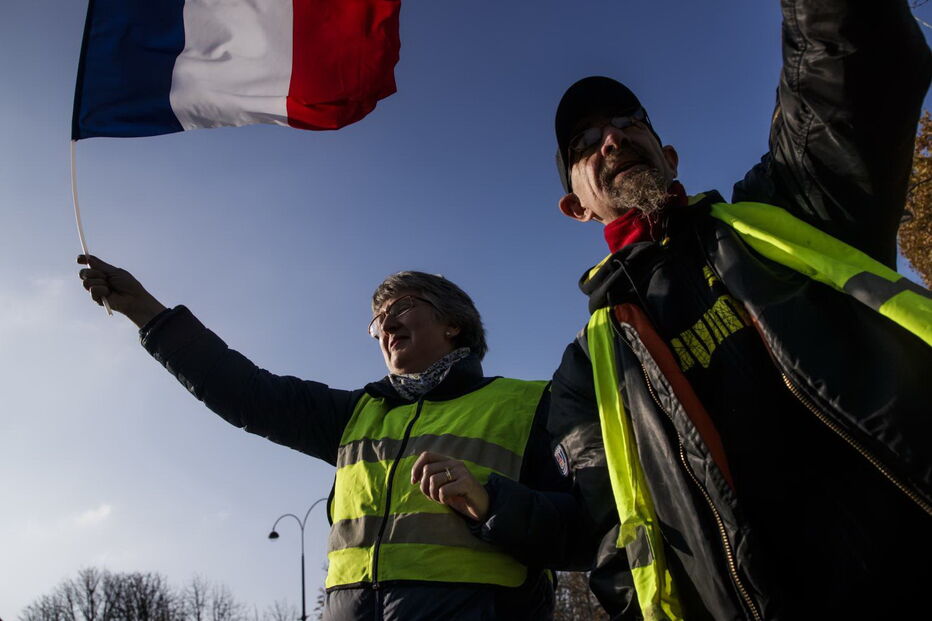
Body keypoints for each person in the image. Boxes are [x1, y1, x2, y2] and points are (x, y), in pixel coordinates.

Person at [548, 0, 931, 619]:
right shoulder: (582, 376)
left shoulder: (784, 208)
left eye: (628, 121)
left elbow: (848, 69)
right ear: (577, 207)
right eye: (587, 143)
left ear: (669, 155)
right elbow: (619, 546)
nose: (613, 137)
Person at [77, 260, 577, 620]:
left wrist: (492, 502)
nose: (386, 324)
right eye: (377, 319)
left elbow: (583, 529)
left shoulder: (530, 403)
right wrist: (145, 310)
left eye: (400, 306)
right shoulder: (355, 413)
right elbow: (247, 393)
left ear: (454, 323)